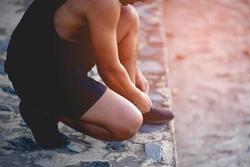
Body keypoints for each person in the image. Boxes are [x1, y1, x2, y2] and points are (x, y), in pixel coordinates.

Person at [4, 0, 174, 149]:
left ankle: (129, 100)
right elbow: (109, 71)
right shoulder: (104, 2)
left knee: (129, 16)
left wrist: (135, 73)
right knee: (129, 124)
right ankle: (41, 108)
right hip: (37, 74)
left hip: (56, 57)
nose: (145, 1)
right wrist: (143, 102)